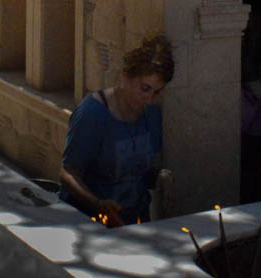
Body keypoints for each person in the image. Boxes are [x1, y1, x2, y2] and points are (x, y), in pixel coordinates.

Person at [58, 35, 175, 226]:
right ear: (125, 77)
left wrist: (159, 177)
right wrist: (98, 204)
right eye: (145, 89)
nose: (149, 99)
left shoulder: (151, 115)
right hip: (90, 221)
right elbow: (68, 174)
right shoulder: (93, 113)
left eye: (157, 92)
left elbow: (136, 171)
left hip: (134, 219)